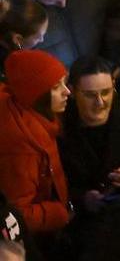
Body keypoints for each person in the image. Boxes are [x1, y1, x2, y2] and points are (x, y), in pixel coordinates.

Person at [0, 49, 71, 237]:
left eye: (64, 82)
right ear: (36, 94)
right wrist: (59, 214)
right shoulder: (22, 148)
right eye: (56, 87)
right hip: (35, 239)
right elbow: (17, 215)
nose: (67, 92)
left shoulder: (21, 107)